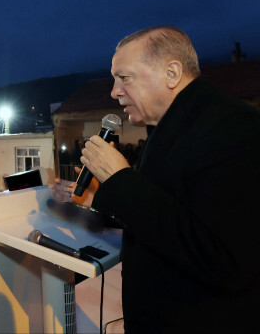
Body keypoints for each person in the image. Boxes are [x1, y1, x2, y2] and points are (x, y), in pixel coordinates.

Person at [50, 25, 260, 332]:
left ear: (171, 74)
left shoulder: (234, 130)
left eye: (124, 77)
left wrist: (120, 179)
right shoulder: (173, 126)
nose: (114, 91)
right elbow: (171, 212)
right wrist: (101, 199)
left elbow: (225, 260)